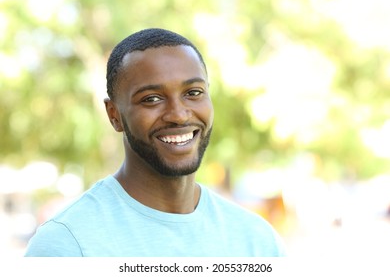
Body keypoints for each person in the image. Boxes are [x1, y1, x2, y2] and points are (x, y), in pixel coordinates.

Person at [25, 28, 286, 257]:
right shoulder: (67, 244)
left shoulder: (256, 241)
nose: (179, 114)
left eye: (193, 93)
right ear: (114, 115)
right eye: (151, 98)